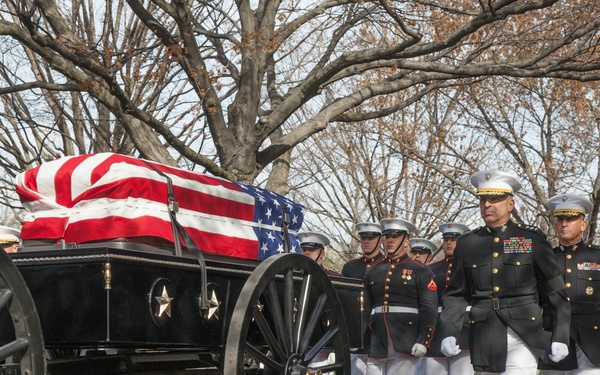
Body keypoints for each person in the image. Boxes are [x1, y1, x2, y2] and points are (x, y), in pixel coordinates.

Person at [438, 169, 571, 374]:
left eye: (495, 199)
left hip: (524, 332)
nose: (487, 204)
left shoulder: (531, 239)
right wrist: (448, 331)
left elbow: (555, 291)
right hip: (484, 334)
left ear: (511, 204)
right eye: (483, 199)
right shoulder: (467, 244)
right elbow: (456, 294)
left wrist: (560, 334)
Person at [364, 218, 438, 374]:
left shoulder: (420, 270)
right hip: (377, 340)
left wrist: (424, 340)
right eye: (387, 236)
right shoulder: (373, 271)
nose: (390, 240)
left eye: (395, 236)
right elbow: (365, 308)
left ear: (406, 241)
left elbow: (429, 308)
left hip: (405, 339)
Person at [538, 193, 600, 374]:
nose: (564, 223)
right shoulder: (544, 259)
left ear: (583, 225)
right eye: (560, 219)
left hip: (592, 341)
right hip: (553, 337)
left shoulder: (597, 256)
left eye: (571, 219)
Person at [417, 222, 472, 375]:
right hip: (437, 328)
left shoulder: (471, 265)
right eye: (446, 239)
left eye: (453, 240)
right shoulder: (432, 269)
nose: (448, 243)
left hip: (464, 328)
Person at [341, 222, 386, 375]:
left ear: (380, 241)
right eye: (363, 238)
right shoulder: (350, 267)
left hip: (380, 330)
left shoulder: (387, 266)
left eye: (371, 238)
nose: (366, 241)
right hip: (355, 329)